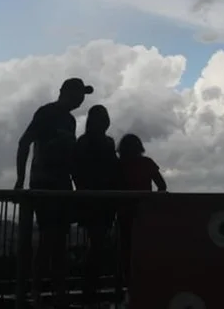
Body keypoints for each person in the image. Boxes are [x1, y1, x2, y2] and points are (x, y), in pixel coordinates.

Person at [15, 77, 93, 308]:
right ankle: (37, 290)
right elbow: (24, 142)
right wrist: (20, 178)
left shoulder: (69, 120)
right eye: (78, 94)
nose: (81, 100)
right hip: (44, 183)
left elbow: (69, 155)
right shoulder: (46, 113)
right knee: (49, 238)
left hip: (62, 185)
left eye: (83, 96)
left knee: (60, 240)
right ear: (66, 92)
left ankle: (58, 290)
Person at [72, 105, 121, 306]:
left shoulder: (85, 142)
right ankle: (91, 288)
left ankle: (90, 288)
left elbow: (76, 169)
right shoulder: (101, 143)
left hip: (98, 199)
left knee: (97, 244)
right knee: (98, 244)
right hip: (100, 200)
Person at [116, 134, 166, 295]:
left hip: (126, 214)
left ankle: (129, 284)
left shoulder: (119, 165)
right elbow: (162, 186)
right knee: (142, 248)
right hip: (143, 214)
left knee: (126, 249)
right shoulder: (146, 163)